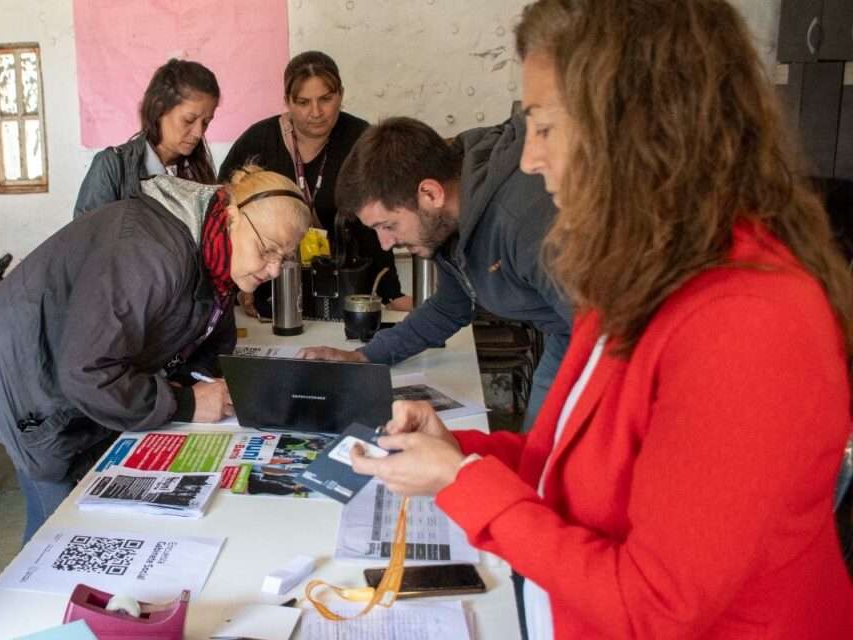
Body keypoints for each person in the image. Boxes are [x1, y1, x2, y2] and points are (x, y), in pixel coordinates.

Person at [350, 1, 853, 638]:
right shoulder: (633, 272)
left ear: (635, 128)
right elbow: (567, 463)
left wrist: (463, 481)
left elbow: (654, 608)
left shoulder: (750, 323)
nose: (530, 160)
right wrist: (459, 451)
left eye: (545, 128)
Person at [0, 167, 311, 541]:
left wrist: (197, 381)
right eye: (268, 249)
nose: (273, 269)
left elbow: (206, 334)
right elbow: (87, 374)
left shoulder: (215, 252)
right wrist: (185, 403)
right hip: (28, 377)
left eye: (284, 258)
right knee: (61, 528)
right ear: (232, 214)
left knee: (100, 511)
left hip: (78, 370)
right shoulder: (152, 254)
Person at [299, 116, 572, 429]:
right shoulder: (451, 220)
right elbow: (449, 308)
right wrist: (364, 358)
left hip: (604, 336)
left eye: (388, 226)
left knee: (556, 458)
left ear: (430, 193)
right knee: (538, 453)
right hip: (567, 332)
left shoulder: (523, 223)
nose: (386, 244)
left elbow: (616, 336)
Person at [219, 51, 409, 313]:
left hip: (348, 286)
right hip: (272, 286)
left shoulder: (362, 141)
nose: (316, 112)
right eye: (303, 102)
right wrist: (237, 286)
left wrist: (391, 292)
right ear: (287, 101)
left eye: (326, 99)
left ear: (340, 94)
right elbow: (224, 219)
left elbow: (378, 222)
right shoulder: (258, 141)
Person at [73, 59, 219, 218]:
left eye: (206, 122)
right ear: (159, 108)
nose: (198, 133)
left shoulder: (199, 174)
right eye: (188, 120)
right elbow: (88, 239)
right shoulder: (112, 167)